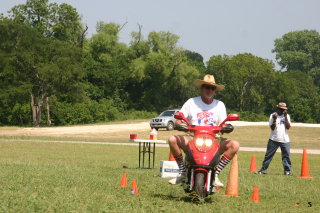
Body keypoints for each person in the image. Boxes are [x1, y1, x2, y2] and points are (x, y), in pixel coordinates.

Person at [168, 74, 240, 186]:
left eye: (212, 88)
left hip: (214, 139)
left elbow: (224, 123)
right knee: (172, 139)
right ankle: (182, 172)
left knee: (234, 145)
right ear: (201, 88)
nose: (209, 90)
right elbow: (179, 119)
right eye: (207, 87)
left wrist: (227, 127)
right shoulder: (191, 102)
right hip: (192, 137)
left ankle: (216, 173)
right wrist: (180, 124)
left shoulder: (219, 105)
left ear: (215, 90)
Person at [257, 102, 292, 175]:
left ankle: (287, 171)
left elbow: (288, 127)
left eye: (284, 109)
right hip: (273, 139)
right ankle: (263, 170)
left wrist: (285, 117)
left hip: (285, 140)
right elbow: (272, 128)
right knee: (268, 155)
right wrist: (275, 119)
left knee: (286, 156)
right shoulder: (273, 115)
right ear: (278, 109)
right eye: (281, 109)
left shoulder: (287, 116)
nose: (283, 111)